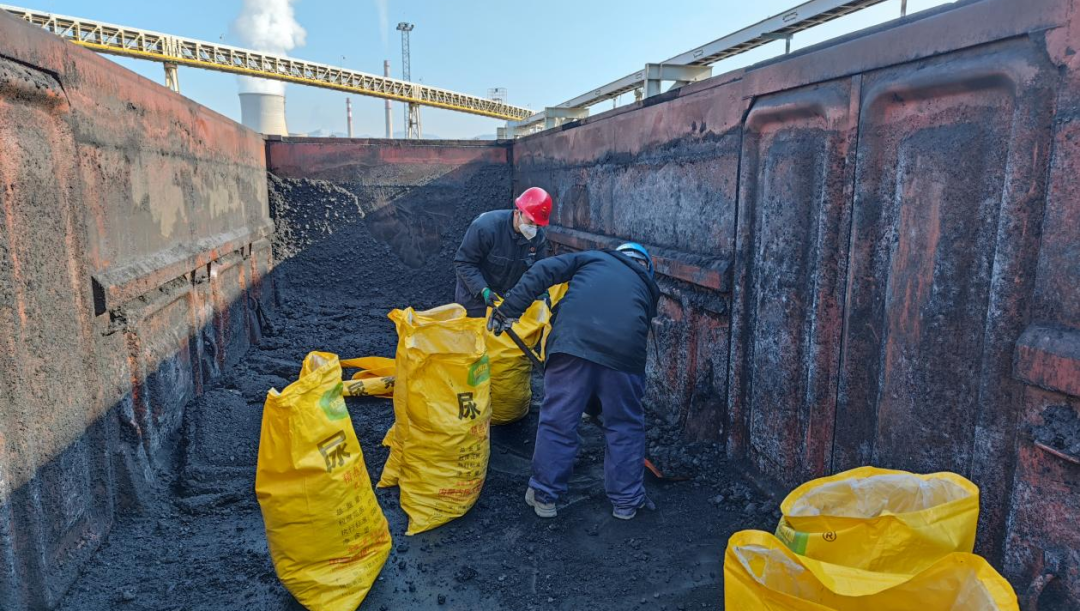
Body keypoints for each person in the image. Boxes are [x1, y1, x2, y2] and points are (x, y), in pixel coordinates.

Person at [489, 242, 661, 520]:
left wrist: (509, 309)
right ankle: (627, 502)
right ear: (646, 268)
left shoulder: (594, 258)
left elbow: (543, 269)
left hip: (571, 345)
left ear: (618, 253)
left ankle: (544, 497)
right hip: (624, 358)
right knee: (626, 426)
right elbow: (626, 347)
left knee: (558, 420)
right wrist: (605, 405)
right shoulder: (646, 288)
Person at [453, 187, 553, 317]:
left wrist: (543, 291)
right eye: (530, 222)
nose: (533, 228)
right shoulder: (485, 228)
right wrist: (483, 290)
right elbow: (464, 263)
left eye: (537, 225)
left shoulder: (537, 237)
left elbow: (539, 270)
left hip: (505, 297)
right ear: (517, 213)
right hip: (476, 298)